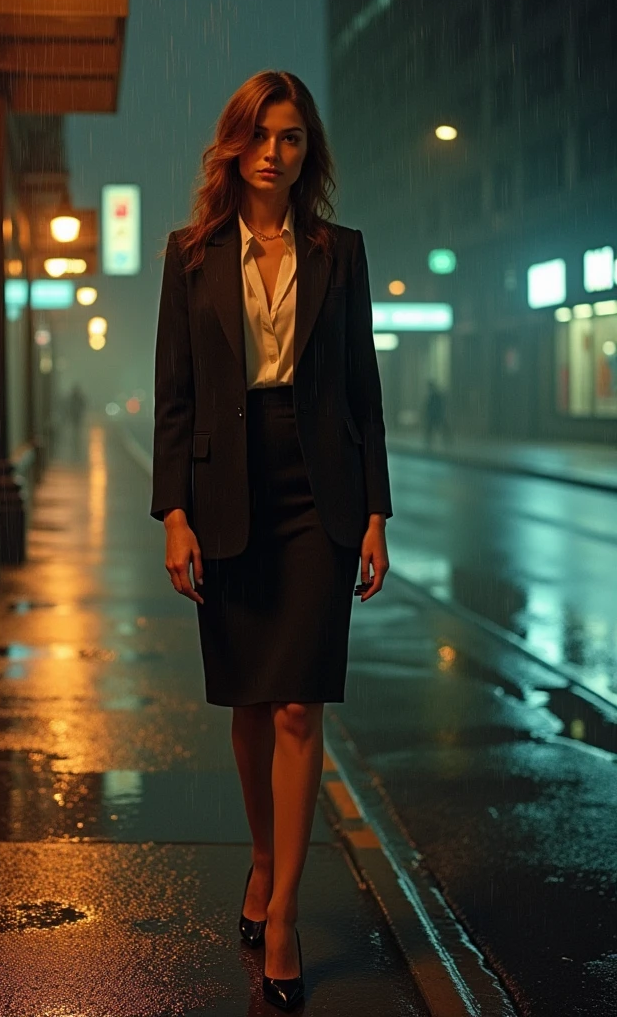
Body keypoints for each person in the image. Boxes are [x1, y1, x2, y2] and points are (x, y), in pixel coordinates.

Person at [151, 70, 393, 1010]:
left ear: (306, 152)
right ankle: (262, 858)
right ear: (234, 146)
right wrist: (173, 512)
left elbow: (363, 391)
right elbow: (174, 395)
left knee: (299, 705)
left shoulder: (342, 252)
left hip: (317, 489)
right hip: (225, 488)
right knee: (251, 707)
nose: (274, 152)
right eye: (259, 135)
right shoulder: (189, 253)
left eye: (290, 137)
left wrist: (376, 509)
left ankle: (286, 909)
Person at [424, 379, 451, 448]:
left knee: (440, 426)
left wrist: (437, 412)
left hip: (435, 414)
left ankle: (448, 438)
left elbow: (436, 405)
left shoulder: (435, 395)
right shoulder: (434, 394)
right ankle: (429, 441)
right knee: (431, 427)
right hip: (434, 414)